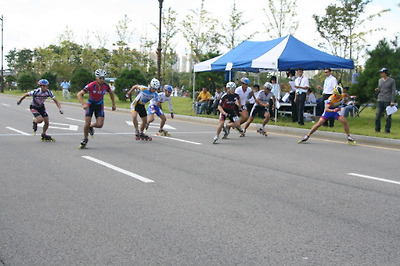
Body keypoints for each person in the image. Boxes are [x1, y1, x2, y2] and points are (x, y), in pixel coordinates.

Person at [77, 69, 116, 148]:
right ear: (96, 78)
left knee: (99, 125)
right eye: (100, 78)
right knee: (87, 123)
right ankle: (85, 138)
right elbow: (79, 94)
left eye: (103, 78)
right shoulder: (91, 85)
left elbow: (111, 93)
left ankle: (91, 126)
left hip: (99, 106)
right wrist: (83, 104)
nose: (102, 80)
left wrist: (113, 104)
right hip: (90, 105)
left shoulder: (106, 86)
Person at [375, 67, 397, 133]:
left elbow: (393, 91)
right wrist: (377, 90)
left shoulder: (392, 81)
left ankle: (387, 130)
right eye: (380, 73)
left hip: (388, 100)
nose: (381, 74)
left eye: (382, 72)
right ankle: (377, 129)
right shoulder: (380, 80)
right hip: (380, 99)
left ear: (385, 73)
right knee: (378, 115)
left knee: (388, 117)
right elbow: (380, 88)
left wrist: (392, 101)